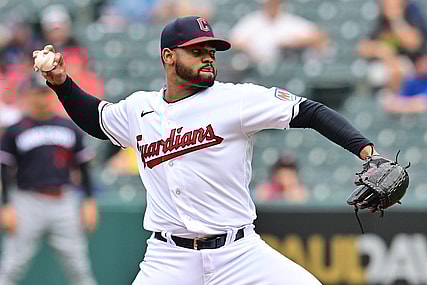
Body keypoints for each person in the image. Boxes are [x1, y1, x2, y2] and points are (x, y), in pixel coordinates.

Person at [37, 16, 378, 284]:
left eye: (211, 51)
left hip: (239, 254)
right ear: (168, 56)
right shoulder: (139, 108)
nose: (208, 57)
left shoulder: (236, 99)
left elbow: (310, 111)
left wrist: (367, 152)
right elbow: (97, 120)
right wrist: (62, 84)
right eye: (196, 50)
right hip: (168, 258)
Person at [0, 74, 98, 285]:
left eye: (45, 93)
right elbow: (4, 170)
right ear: (28, 96)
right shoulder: (15, 129)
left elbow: (84, 167)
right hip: (27, 200)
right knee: (11, 267)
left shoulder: (69, 127)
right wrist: (5, 205)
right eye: (37, 93)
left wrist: (89, 201)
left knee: (79, 268)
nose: (42, 98)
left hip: (63, 201)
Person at [359, 0, 427, 92]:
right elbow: (363, 47)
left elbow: (414, 44)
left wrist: (396, 19)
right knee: (378, 72)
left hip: (412, 64)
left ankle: (398, 99)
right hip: (386, 65)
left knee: (398, 68)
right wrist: (382, 52)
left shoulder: (411, 13)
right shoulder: (381, 19)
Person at [229, 0, 328, 65]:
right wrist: (249, 49)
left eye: (274, 3)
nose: (272, 6)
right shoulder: (252, 20)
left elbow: (319, 36)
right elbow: (233, 41)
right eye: (269, 4)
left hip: (285, 62)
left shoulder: (289, 21)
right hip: (254, 64)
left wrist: (292, 42)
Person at [383, 47, 427, 113]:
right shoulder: (411, 80)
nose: (424, 65)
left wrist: (405, 106)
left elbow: (423, 104)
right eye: (422, 62)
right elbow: (397, 100)